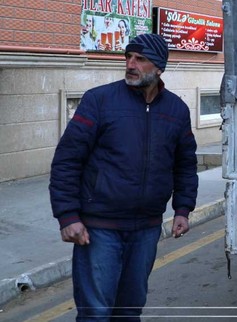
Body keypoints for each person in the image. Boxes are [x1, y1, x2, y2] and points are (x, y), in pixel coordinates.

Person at [49, 33, 198, 321]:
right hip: (99, 227)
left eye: (140, 59)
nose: (130, 64)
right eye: (128, 57)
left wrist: (183, 209)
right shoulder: (99, 101)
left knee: (129, 312)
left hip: (146, 228)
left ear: (158, 67)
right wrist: (68, 216)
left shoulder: (176, 110)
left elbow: (185, 164)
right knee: (96, 313)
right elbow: (67, 160)